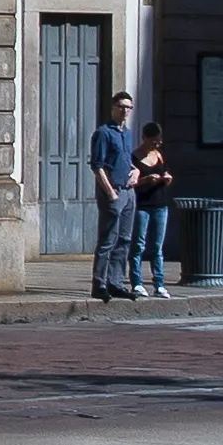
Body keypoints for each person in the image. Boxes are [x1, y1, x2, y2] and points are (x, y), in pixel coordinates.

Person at [89, 90, 141, 299]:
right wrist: (109, 192)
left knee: (125, 239)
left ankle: (116, 281)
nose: (125, 111)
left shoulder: (127, 133)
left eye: (128, 107)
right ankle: (99, 283)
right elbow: (97, 165)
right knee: (108, 238)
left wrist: (136, 171)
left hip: (129, 192)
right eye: (121, 106)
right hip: (114, 191)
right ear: (113, 108)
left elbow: (126, 158)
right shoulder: (103, 133)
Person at [132, 119, 177, 297]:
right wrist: (146, 180)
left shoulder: (159, 155)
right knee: (138, 245)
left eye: (158, 141)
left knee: (157, 247)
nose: (156, 144)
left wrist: (167, 178)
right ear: (144, 138)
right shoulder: (134, 157)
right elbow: (131, 182)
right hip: (142, 205)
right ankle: (136, 282)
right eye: (153, 141)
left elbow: (167, 173)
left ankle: (159, 284)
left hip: (160, 204)